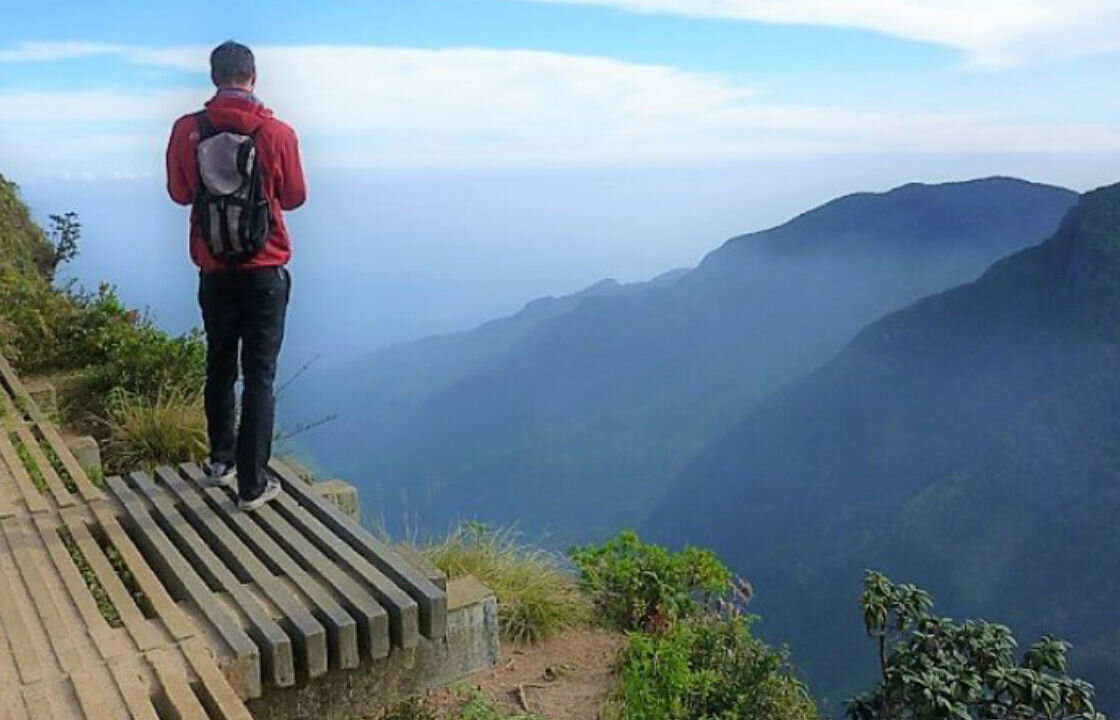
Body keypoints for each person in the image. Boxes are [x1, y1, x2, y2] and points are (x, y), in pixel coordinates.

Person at [166, 40, 306, 511]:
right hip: (265, 269)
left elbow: (180, 193)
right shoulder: (277, 133)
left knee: (219, 364)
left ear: (213, 78)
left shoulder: (187, 130)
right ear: (254, 76)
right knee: (260, 375)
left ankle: (219, 461)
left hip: (214, 268)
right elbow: (294, 197)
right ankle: (253, 483)